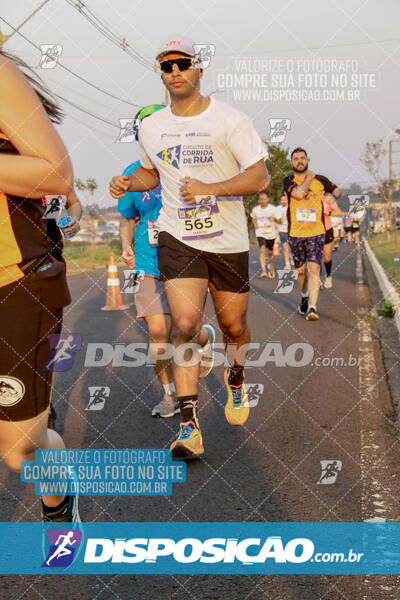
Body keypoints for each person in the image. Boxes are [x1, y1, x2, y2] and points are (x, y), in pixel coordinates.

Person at [110, 34, 269, 459]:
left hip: (228, 240)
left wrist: (211, 189)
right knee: (183, 325)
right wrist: (127, 182)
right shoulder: (152, 126)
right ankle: (188, 428)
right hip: (178, 238)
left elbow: (259, 178)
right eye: (167, 66)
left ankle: (235, 378)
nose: (176, 71)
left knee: (234, 327)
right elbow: (149, 176)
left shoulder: (229, 120)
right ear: (161, 74)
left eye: (183, 64)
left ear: (199, 69)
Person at [0, 49, 79, 521]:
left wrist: (67, 211)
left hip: (15, 281)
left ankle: (59, 498)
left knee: (19, 449)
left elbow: (55, 175)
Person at [118, 104, 215, 419]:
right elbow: (127, 217)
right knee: (158, 331)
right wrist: (125, 245)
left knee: (183, 329)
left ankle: (204, 338)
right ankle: (168, 395)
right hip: (146, 262)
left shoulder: (187, 165)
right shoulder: (132, 172)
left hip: (183, 259)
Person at [283, 147, 339, 321]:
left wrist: (332, 196)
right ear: (292, 162)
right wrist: (308, 177)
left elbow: (336, 190)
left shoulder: (321, 180)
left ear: (307, 160)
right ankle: (305, 296)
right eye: (296, 159)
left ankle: (313, 308)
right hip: (296, 232)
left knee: (314, 268)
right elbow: (299, 194)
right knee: (300, 271)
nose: (299, 161)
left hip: (317, 231)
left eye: (302, 158)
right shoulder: (288, 180)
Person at [250, 192, 280, 278]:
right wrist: (255, 224)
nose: (263, 200)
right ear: (259, 201)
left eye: (264, 199)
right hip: (260, 232)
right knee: (262, 249)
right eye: (261, 199)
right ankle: (263, 270)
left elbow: (279, 220)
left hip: (271, 233)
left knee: (270, 252)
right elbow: (253, 217)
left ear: (268, 199)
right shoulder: (256, 210)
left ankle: (271, 267)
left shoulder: (273, 209)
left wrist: (274, 219)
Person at [321, 191, 342, 289]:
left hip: (327, 230)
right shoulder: (310, 199)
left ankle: (328, 276)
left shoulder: (328, 200)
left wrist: (328, 212)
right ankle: (317, 279)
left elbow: (339, 213)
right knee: (315, 257)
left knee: (326, 256)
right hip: (313, 231)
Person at [276, 192, 291, 270]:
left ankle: (291, 255)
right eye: (282, 200)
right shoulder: (278, 209)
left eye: (285, 200)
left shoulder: (291, 208)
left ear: (288, 200)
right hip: (282, 230)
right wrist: (276, 235)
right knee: (285, 247)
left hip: (291, 230)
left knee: (291, 247)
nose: (283, 201)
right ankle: (287, 264)